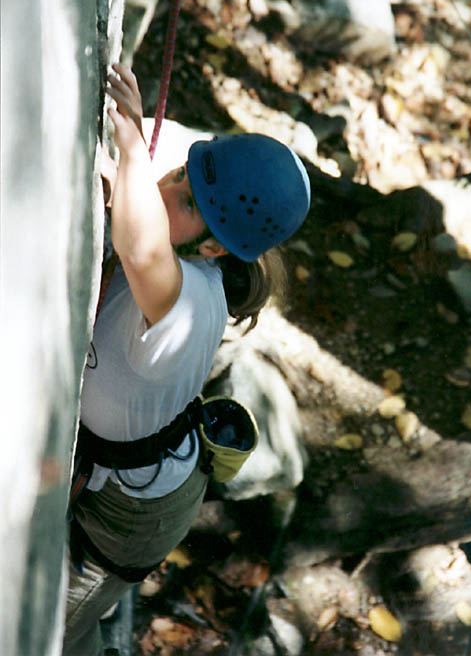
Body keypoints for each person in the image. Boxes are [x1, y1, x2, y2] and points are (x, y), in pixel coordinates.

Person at [62, 64, 310, 655]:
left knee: (47, 623)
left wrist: (127, 144)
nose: (166, 189)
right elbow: (143, 214)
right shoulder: (181, 240)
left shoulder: (193, 300)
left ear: (214, 247)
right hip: (130, 473)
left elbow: (141, 247)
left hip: (131, 514)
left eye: (190, 201)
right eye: (178, 175)